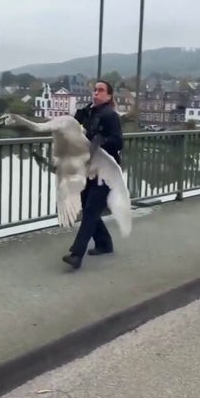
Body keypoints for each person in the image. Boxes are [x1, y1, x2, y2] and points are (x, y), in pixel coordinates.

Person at [62, 80, 123, 270]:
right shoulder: (86, 112)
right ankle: (105, 243)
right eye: (95, 90)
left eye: (101, 90)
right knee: (89, 208)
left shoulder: (110, 116)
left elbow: (118, 142)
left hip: (105, 170)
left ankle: (76, 255)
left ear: (109, 96)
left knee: (90, 210)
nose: (96, 93)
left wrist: (98, 141)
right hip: (87, 168)